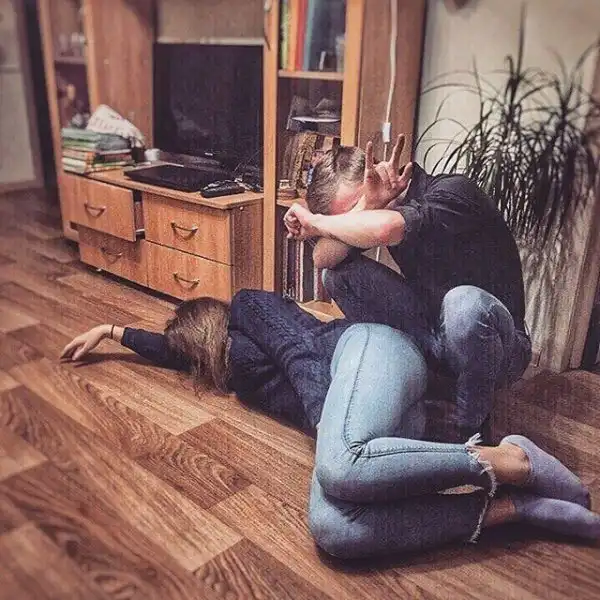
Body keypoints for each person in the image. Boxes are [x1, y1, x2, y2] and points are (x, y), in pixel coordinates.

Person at [61, 289, 599, 559]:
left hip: (368, 351)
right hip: (381, 410)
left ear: (203, 327)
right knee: (334, 530)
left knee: (341, 468)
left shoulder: (246, 307)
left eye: (190, 347)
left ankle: (510, 460)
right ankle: (514, 509)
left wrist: (328, 431)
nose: (190, 362)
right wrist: (109, 330)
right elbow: (168, 350)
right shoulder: (220, 360)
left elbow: (299, 353)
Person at [283, 134, 532, 441]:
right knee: (338, 276)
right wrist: (365, 206)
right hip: (435, 330)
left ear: (378, 175)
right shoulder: (378, 205)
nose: (356, 220)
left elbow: (387, 228)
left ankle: (471, 425)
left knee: (463, 303)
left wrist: (317, 222)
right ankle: (419, 380)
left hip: (502, 348)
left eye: (357, 204)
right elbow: (323, 259)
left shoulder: (453, 193)